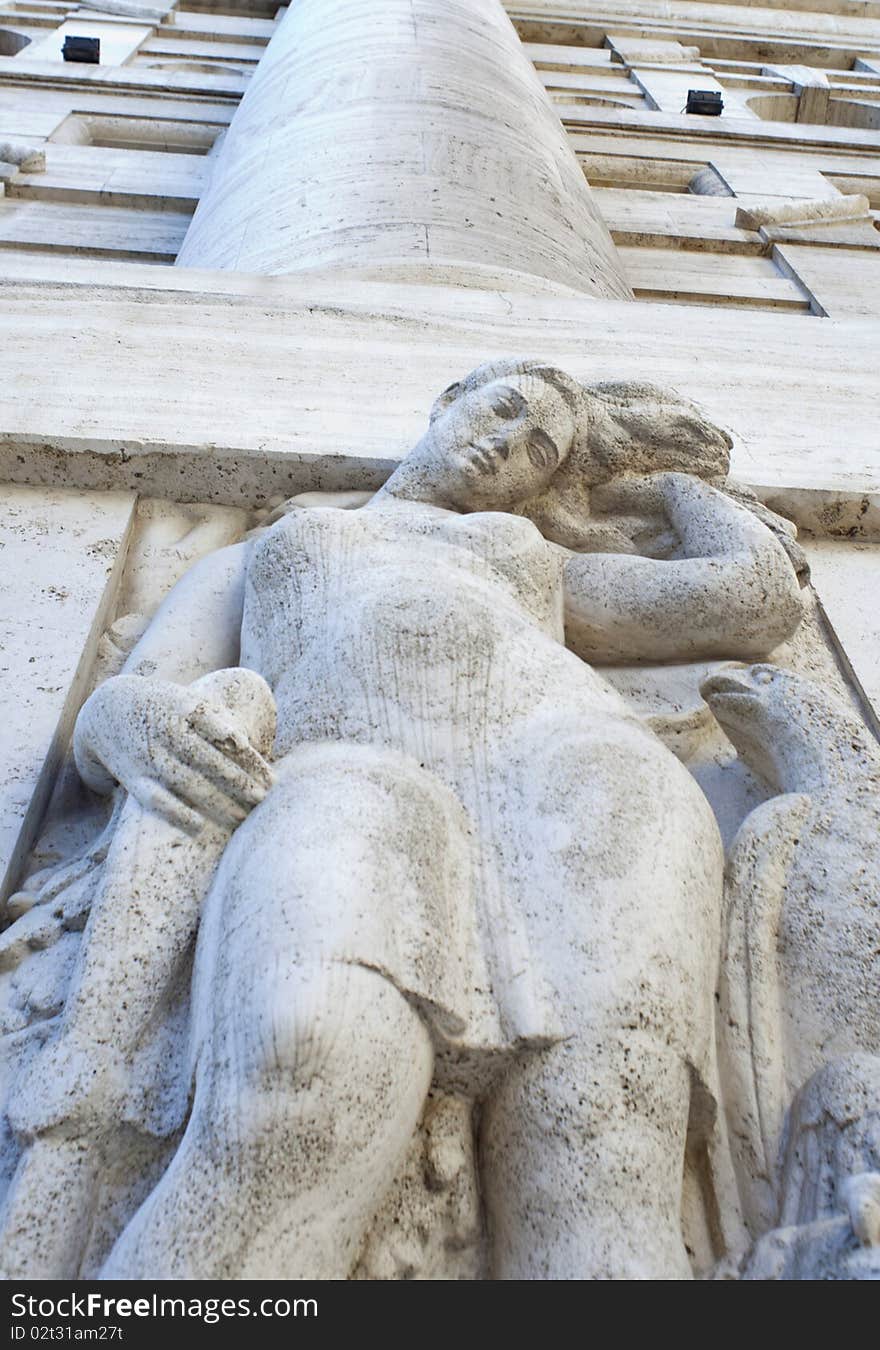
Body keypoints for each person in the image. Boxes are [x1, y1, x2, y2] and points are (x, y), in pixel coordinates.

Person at [62, 361, 803, 1279]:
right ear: (447, 401)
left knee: (599, 1152)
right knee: (301, 1091)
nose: (506, 445)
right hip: (348, 770)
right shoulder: (281, 541)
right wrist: (124, 720)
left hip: (586, 782)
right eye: (501, 409)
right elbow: (141, 690)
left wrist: (672, 484)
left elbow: (749, 599)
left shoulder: (531, 556)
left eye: (539, 451)